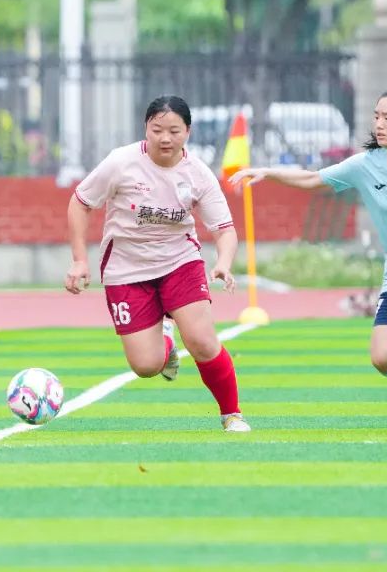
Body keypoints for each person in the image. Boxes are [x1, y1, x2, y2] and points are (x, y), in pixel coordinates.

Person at [230, 88, 387, 432]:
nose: (379, 124)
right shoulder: (367, 164)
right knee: (383, 358)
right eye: (376, 116)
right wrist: (269, 172)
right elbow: (314, 179)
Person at [64, 96, 250, 432]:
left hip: (180, 261)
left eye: (174, 131)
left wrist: (224, 262)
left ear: (188, 132)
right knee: (146, 366)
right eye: (157, 129)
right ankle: (165, 337)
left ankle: (232, 414)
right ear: (145, 129)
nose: (165, 138)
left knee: (201, 340)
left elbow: (224, 229)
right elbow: (80, 203)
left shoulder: (198, 174)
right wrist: (79, 261)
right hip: (126, 268)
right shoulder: (120, 163)